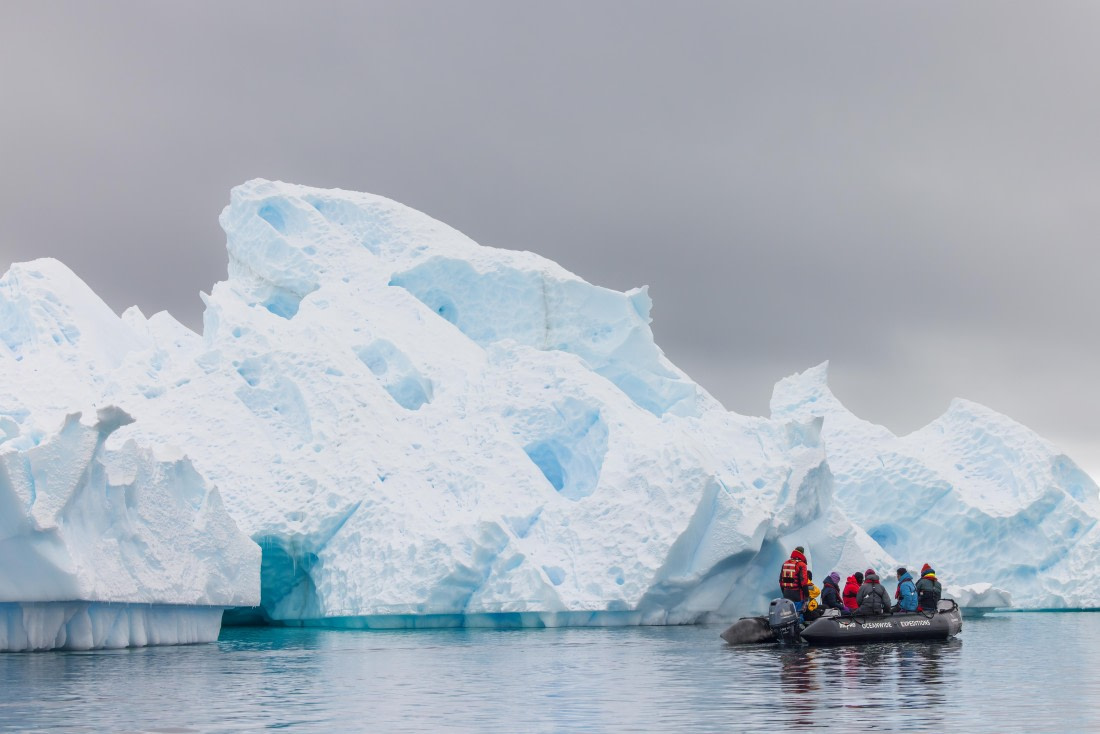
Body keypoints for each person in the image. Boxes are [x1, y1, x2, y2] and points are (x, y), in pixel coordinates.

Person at [779, 546, 811, 612]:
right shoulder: (801, 565)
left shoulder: (785, 563)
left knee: (788, 613)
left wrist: (784, 592)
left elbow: (780, 580)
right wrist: (807, 596)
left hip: (786, 593)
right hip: (797, 594)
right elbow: (804, 582)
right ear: (802, 553)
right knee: (798, 613)